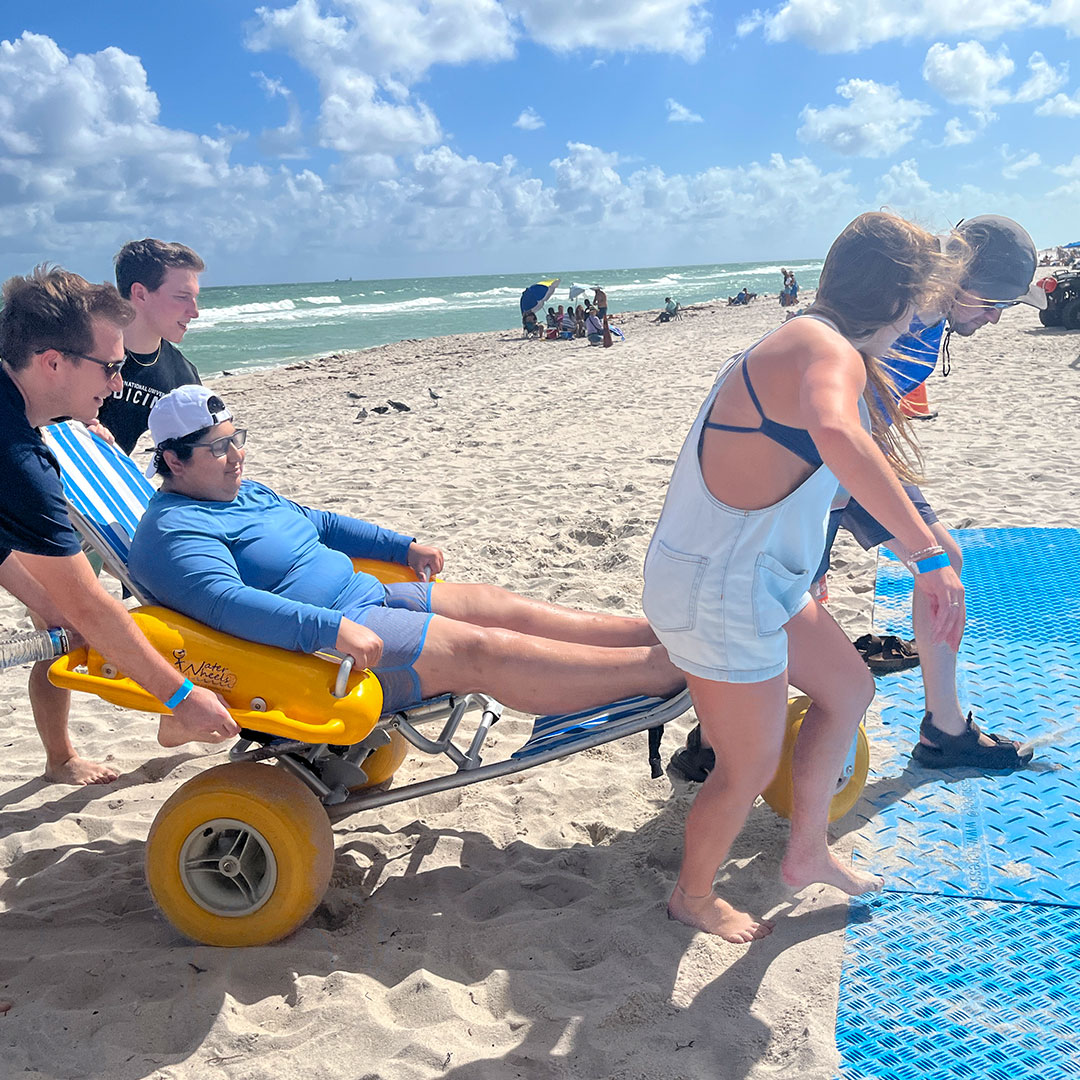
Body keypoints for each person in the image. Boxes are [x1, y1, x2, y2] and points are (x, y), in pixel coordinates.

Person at [641, 212, 968, 941]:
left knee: (851, 687)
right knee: (748, 767)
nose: (921, 323)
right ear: (896, 297)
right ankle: (692, 898)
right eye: (923, 305)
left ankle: (807, 852)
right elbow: (836, 434)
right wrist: (929, 558)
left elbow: (810, 481)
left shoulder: (806, 338)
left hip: (749, 574)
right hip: (721, 590)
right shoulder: (827, 350)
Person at [671, 215, 1044, 784]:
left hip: (863, 457)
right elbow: (828, 414)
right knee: (783, 603)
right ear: (962, 279)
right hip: (813, 465)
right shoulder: (897, 305)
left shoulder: (938, 317)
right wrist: (836, 502)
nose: (995, 316)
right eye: (995, 301)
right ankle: (712, 738)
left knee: (945, 561)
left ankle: (943, 729)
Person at [127, 387, 685, 721]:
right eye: (219, 447)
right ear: (173, 461)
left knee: (496, 603)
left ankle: (656, 636)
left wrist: (401, 545)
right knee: (481, 648)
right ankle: (658, 671)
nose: (237, 455)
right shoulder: (177, 532)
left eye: (237, 437)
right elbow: (228, 606)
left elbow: (319, 523)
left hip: (368, 596)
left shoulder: (238, 489)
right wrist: (328, 629)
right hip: (328, 651)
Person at [0, 267, 239, 784]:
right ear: (53, 363)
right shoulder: (21, 463)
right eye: (109, 367)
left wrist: (45, 605)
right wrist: (180, 696)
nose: (117, 383)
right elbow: (88, 603)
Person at [97, 239, 204, 454]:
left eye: (194, 298)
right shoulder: (84, 356)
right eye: (182, 297)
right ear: (140, 294)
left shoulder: (184, 377)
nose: (194, 312)